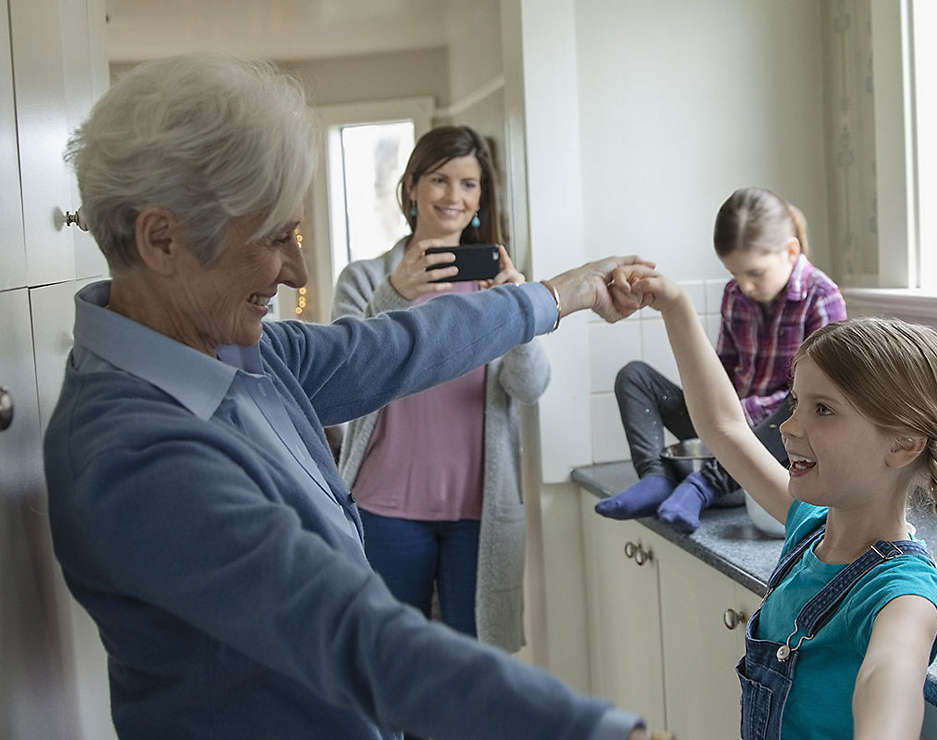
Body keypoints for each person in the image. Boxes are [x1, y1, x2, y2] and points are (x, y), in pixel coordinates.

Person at [45, 52, 656, 740]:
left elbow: (400, 345)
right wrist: (592, 730)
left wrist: (559, 293)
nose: (298, 269)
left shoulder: (243, 351)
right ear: (163, 239)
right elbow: (353, 633)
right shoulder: (132, 452)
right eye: (278, 238)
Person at [610, 265, 937, 739]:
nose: (789, 427)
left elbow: (889, 683)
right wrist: (675, 306)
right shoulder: (809, 528)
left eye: (823, 410)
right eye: (796, 403)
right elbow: (724, 427)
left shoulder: (904, 597)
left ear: (902, 444)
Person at [331, 125, 546, 656]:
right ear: (411, 188)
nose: (454, 196)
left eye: (469, 184)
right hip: (384, 508)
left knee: (473, 674)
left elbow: (530, 384)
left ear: (481, 198)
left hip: (477, 512)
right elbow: (347, 378)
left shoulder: (498, 283)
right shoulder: (364, 278)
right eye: (440, 180)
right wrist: (395, 295)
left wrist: (519, 309)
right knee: (388, 665)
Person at [595, 187, 846, 533]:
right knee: (634, 376)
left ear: (791, 251)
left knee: (799, 405)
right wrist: (718, 413)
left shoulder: (822, 297)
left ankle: (703, 485)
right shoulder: (734, 295)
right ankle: (656, 478)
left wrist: (739, 416)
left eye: (754, 273)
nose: (744, 285)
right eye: (735, 274)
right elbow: (720, 372)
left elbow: (822, 399)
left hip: (778, 438)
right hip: (728, 426)